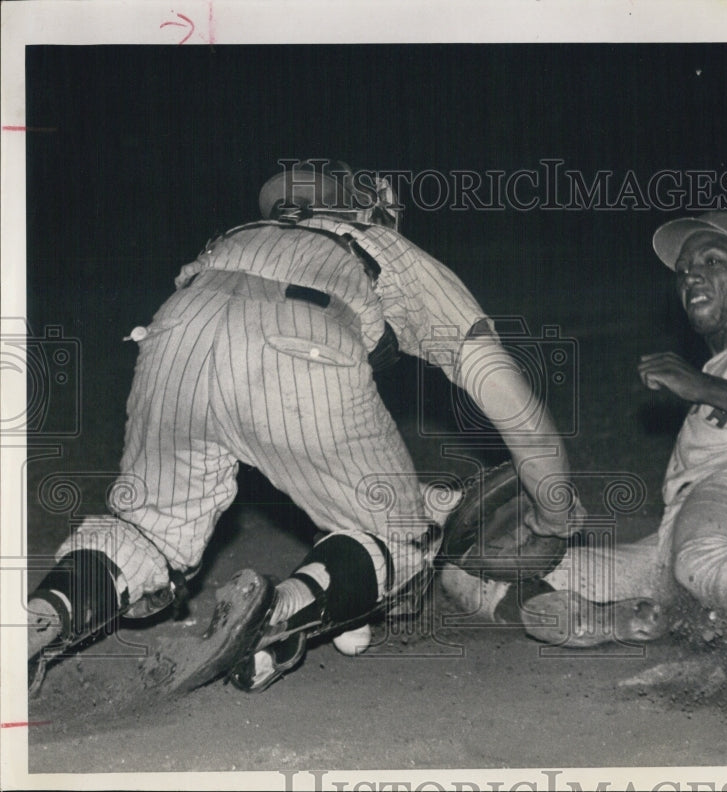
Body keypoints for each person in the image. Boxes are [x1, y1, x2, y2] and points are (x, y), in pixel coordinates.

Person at [26, 161, 577, 691]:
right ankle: (279, 616)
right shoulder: (385, 247)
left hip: (175, 332)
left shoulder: (245, 233)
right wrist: (555, 508)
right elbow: (507, 394)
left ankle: (41, 617)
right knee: (403, 538)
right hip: (300, 335)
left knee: (147, 529)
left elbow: (235, 364)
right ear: (372, 206)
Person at [443, 211, 727, 645]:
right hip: (682, 535)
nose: (691, 278)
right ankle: (623, 621)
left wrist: (703, 386)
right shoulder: (714, 375)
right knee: (470, 572)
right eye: (684, 271)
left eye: (712, 262)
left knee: (700, 555)